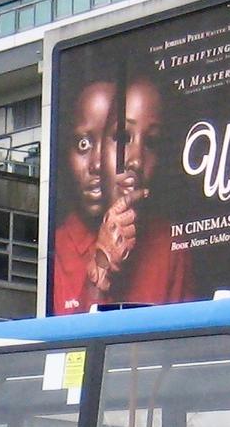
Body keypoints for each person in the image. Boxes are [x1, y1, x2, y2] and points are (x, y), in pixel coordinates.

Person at [47, 72, 190, 315]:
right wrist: (102, 265)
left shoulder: (170, 245)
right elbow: (74, 344)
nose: (97, 164)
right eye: (84, 144)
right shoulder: (56, 248)